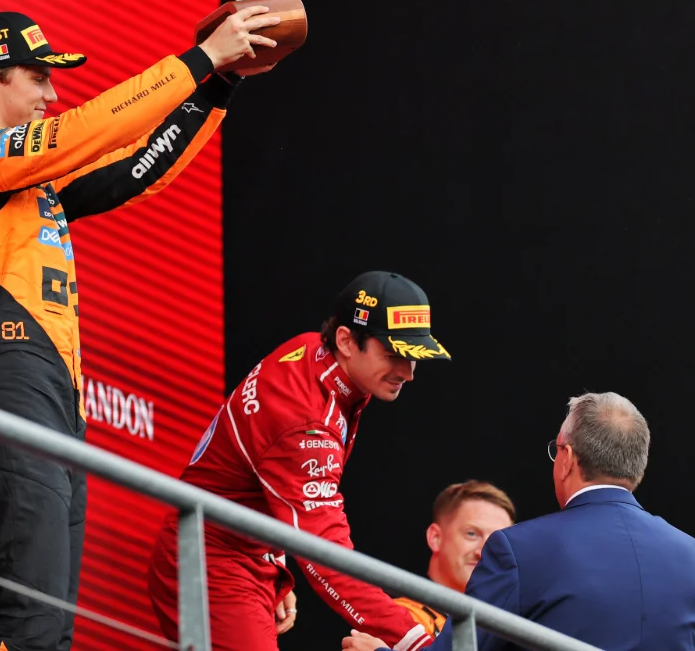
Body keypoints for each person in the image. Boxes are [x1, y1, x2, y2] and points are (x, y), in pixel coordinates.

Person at [0, 4, 280, 651]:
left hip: (56, 391)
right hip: (10, 373)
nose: (51, 95)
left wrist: (222, 82)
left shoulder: (31, 181)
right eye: (38, 78)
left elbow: (139, 168)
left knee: (52, 628)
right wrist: (200, 58)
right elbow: (86, 131)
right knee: (30, 616)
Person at [148, 271, 452, 651]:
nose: (407, 373)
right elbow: (327, 556)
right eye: (394, 355)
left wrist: (274, 558)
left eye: (414, 357)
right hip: (212, 564)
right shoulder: (306, 422)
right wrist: (418, 644)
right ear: (346, 341)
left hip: (237, 551)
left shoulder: (312, 351)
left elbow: (257, 472)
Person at [344, 393, 695, 651]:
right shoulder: (689, 555)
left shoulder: (518, 549)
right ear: (638, 470)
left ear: (567, 459)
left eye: (556, 450)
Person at [392, 481, 516, 638]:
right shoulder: (400, 617)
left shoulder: (509, 632)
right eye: (472, 534)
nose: (483, 552)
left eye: (498, 542)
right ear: (435, 537)